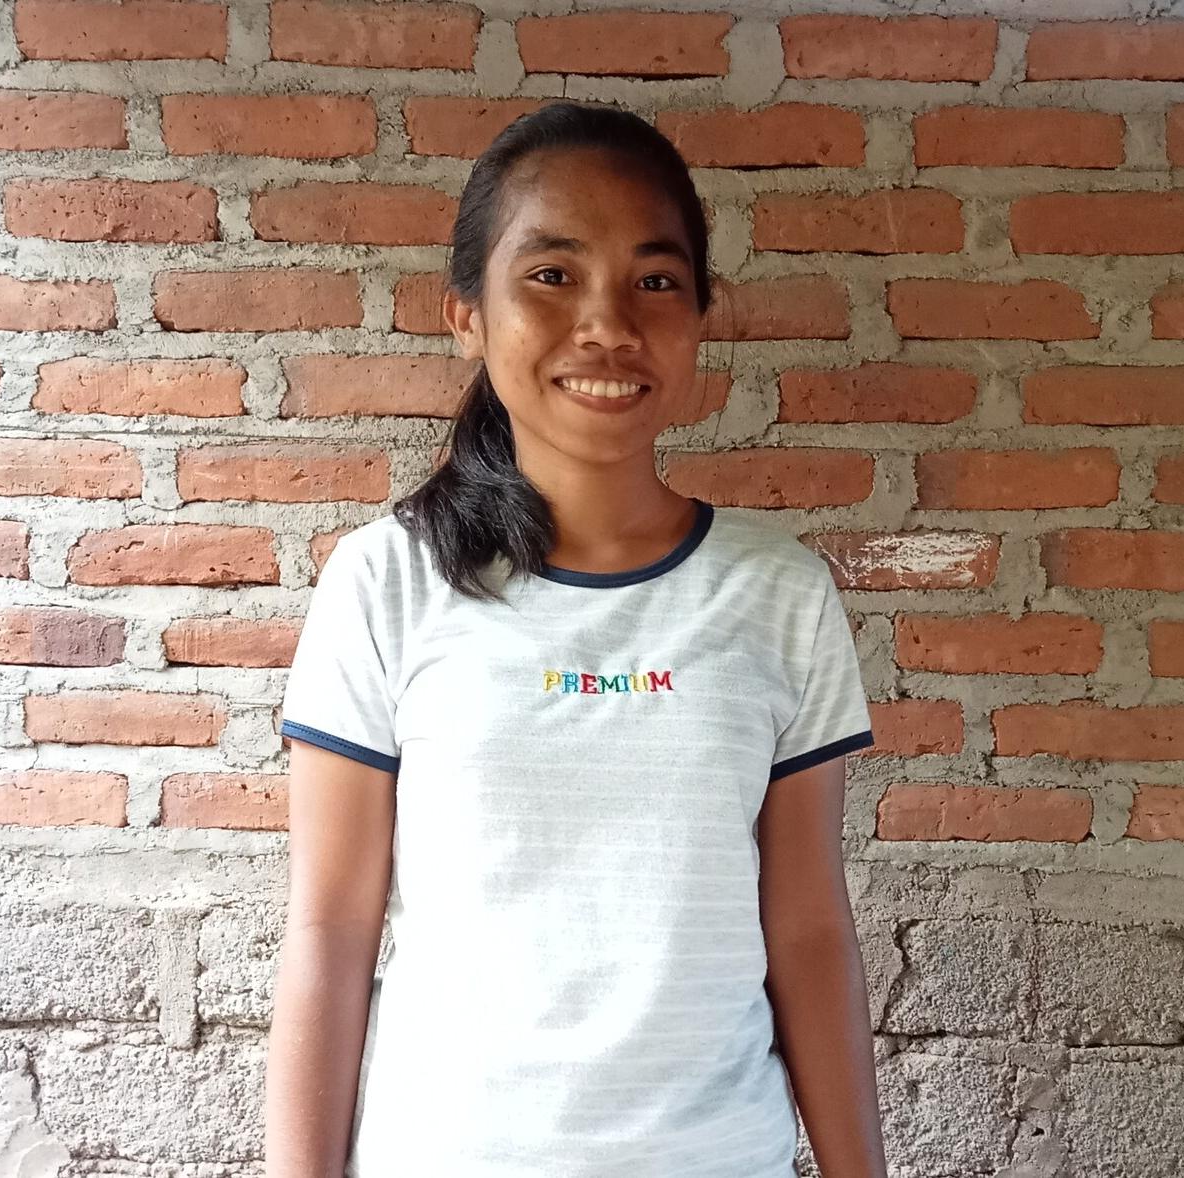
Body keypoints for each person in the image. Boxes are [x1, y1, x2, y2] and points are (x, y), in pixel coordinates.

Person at [263, 99, 888, 1177]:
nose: (606, 324)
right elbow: (328, 932)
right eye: (551, 275)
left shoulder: (776, 593)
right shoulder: (386, 581)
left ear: (701, 313)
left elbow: (807, 931)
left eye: (654, 280)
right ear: (465, 309)